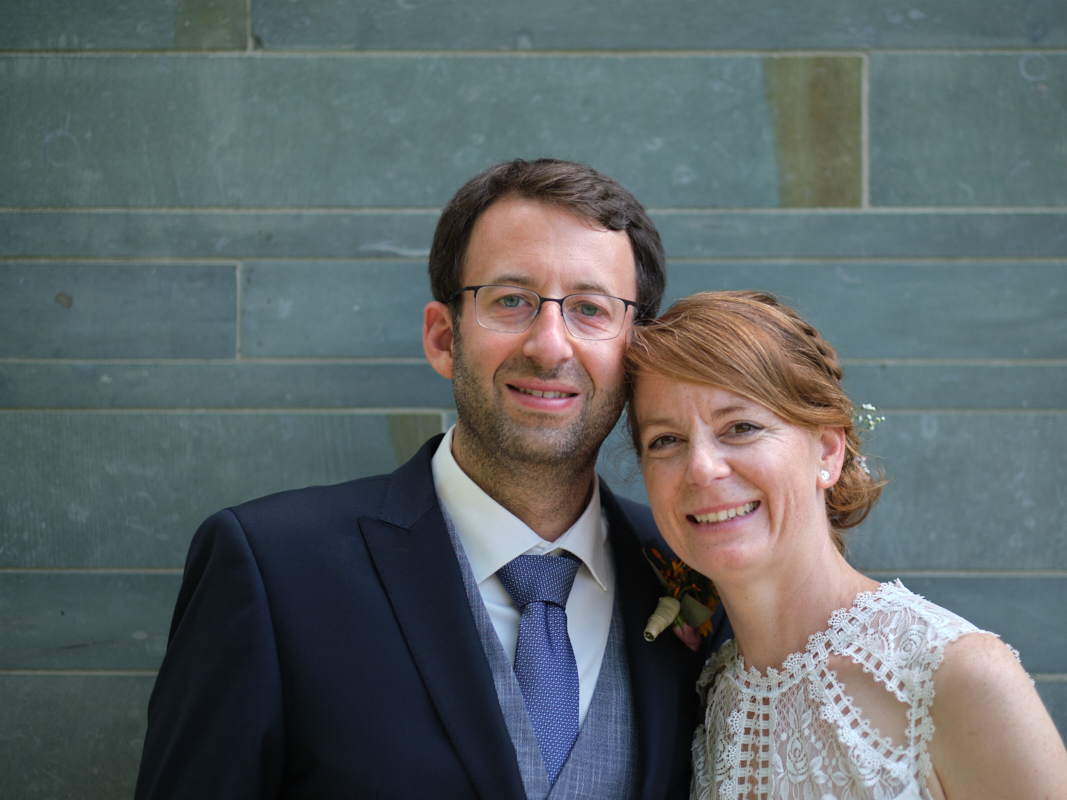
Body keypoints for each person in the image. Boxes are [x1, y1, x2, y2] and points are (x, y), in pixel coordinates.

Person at [134, 159, 707, 800]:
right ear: (442, 337)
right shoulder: (270, 568)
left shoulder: (697, 568)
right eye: (510, 300)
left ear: (636, 352)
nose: (550, 346)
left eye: (591, 309)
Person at [625, 291, 1067, 800]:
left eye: (741, 427)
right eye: (665, 440)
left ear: (827, 451)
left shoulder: (953, 675)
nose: (701, 468)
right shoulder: (708, 697)